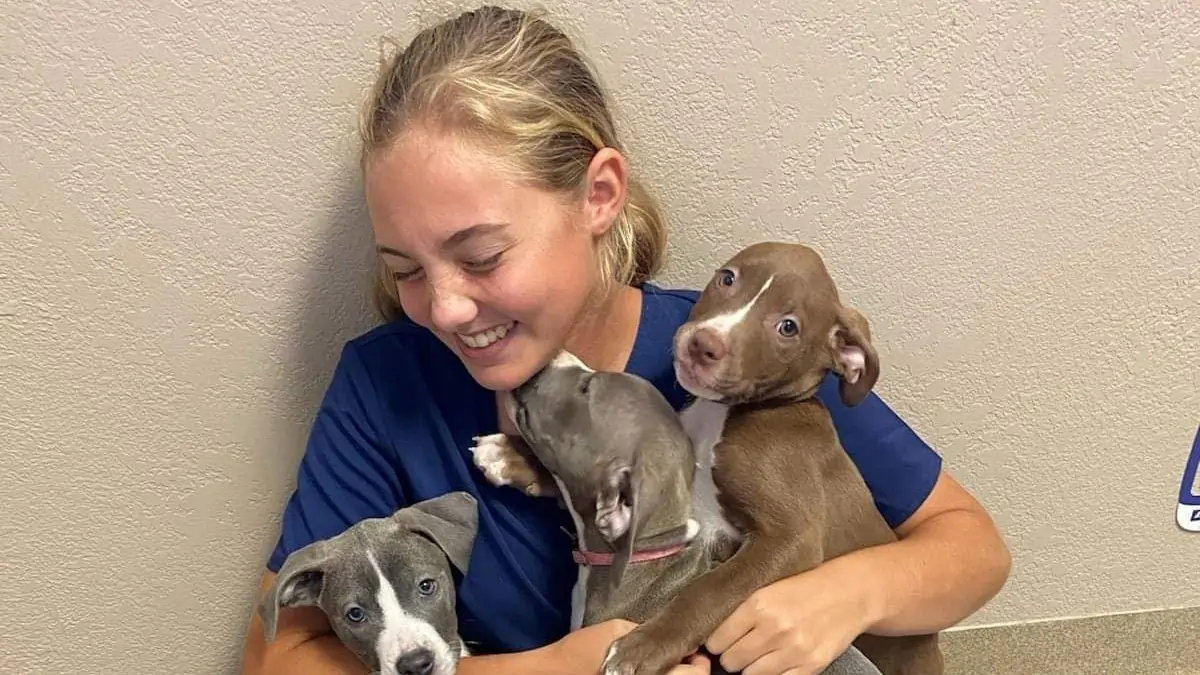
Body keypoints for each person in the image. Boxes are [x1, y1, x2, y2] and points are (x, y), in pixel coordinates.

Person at [238, 6, 1011, 675]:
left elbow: (972, 549)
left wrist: (837, 594)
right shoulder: (388, 384)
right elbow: (280, 658)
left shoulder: (731, 366)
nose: (443, 308)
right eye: (405, 269)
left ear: (598, 195)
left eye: (482, 257)